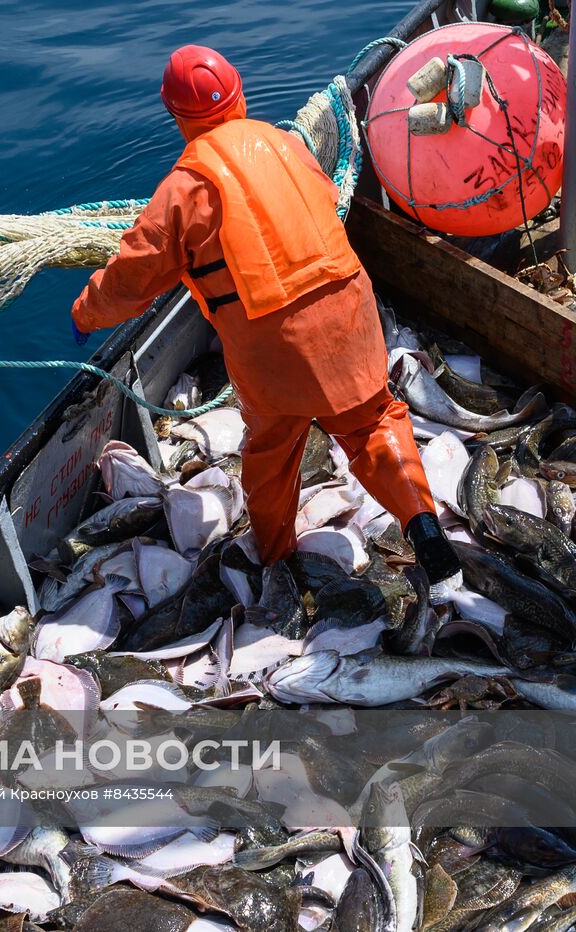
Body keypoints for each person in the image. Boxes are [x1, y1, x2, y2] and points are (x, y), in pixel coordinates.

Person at [70, 44, 461, 588]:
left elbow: (132, 276)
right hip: (350, 309)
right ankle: (423, 527)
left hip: (275, 346)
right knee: (373, 422)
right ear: (240, 95)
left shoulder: (183, 187)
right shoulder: (287, 145)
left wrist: (86, 312)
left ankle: (278, 560)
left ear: (177, 116)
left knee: (272, 453)